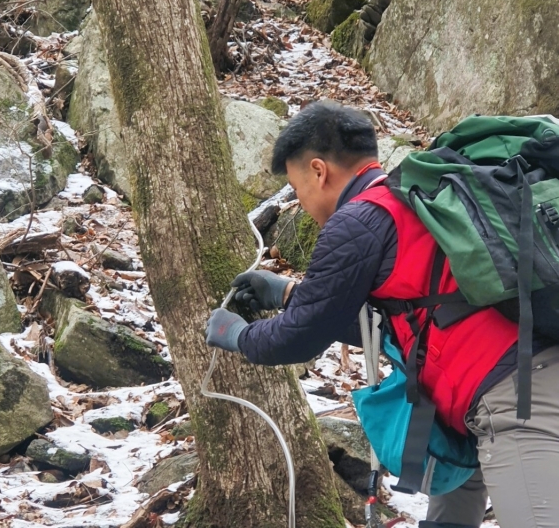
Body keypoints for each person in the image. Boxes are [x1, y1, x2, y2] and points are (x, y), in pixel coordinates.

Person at [205, 101, 559, 528]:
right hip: (495, 391)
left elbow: (298, 338)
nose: (303, 203)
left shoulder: (358, 221)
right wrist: (285, 292)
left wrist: (235, 334)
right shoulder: (412, 201)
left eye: (299, 190)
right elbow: (401, 318)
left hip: (517, 398)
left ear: (319, 171)